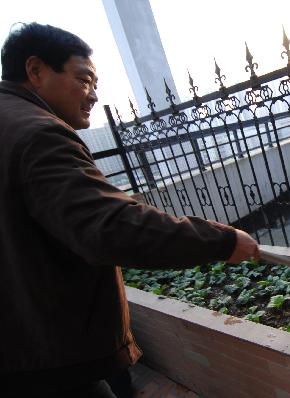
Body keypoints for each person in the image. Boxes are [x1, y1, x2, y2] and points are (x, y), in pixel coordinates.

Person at [0, 22, 259, 397]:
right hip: (48, 362)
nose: (92, 95)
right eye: (84, 79)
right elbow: (109, 226)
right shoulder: (37, 133)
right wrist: (221, 240)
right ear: (36, 70)